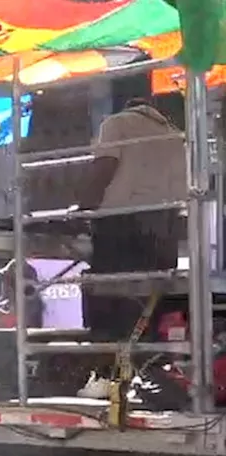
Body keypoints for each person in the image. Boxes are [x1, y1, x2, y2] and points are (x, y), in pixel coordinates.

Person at [78, 95, 185, 340]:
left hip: (122, 225)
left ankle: (109, 361)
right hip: (165, 230)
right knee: (151, 304)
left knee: (111, 299)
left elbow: (103, 169)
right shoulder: (175, 136)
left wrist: (83, 209)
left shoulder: (117, 123)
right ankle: (147, 362)